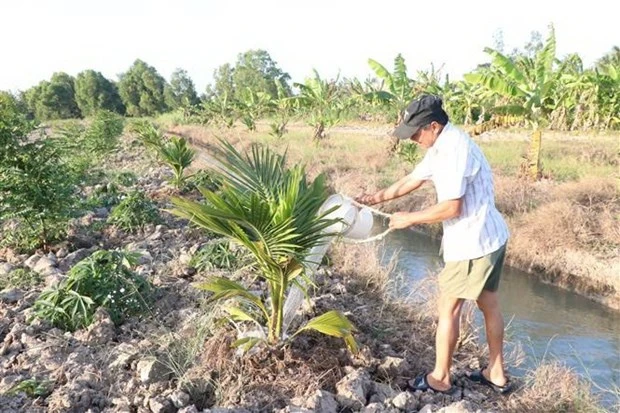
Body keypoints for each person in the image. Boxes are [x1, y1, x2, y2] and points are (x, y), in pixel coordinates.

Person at [356, 95, 513, 395]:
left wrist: (409, 219)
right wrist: (374, 198)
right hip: (489, 237)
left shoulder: (454, 150)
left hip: (472, 243)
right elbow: (413, 179)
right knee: (488, 303)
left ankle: (440, 378)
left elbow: (451, 207)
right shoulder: (441, 144)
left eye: (416, 133)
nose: (413, 139)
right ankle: (496, 372)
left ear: (433, 125)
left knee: (448, 309)